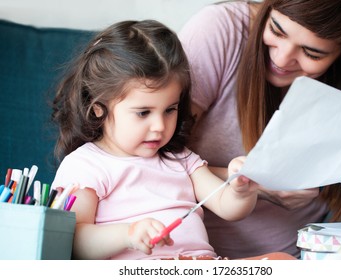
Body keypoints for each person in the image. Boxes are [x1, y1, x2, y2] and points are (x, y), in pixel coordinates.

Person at [178, 0, 341, 259]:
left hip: (310, 251)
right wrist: (256, 184)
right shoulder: (220, 31)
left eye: (312, 53)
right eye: (276, 30)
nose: (280, 58)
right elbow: (141, 161)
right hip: (196, 255)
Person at [49, 20, 258, 260]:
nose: (160, 126)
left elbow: (226, 206)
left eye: (170, 109)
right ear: (98, 108)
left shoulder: (180, 159)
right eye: (143, 113)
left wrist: (241, 191)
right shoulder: (86, 166)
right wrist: (127, 234)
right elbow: (74, 242)